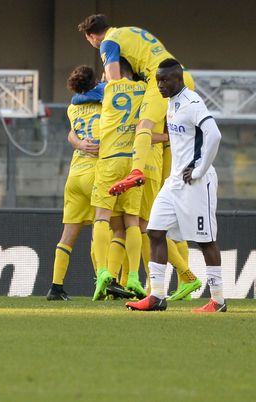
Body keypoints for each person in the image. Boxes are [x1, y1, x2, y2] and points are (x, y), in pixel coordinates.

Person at [126, 59, 225, 313]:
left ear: (178, 79)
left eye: (165, 80)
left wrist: (201, 169)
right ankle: (157, 296)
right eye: (157, 80)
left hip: (197, 182)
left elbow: (214, 135)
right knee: (155, 231)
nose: (160, 85)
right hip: (175, 182)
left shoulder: (193, 103)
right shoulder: (171, 104)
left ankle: (218, 300)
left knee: (205, 242)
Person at [77, 14, 195, 195]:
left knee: (144, 125)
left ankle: (136, 171)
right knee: (171, 131)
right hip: (184, 76)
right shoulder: (131, 31)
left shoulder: (108, 42)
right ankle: (173, 184)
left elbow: (115, 81)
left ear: (92, 37)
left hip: (162, 79)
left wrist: (101, 85)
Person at [89, 58, 148, 301]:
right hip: (133, 160)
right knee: (132, 221)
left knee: (102, 217)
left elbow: (79, 95)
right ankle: (133, 275)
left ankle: (103, 271)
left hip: (110, 159)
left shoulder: (107, 88)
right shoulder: (145, 90)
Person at [47, 65, 103, 301]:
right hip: (96, 172)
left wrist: (79, 144)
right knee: (105, 228)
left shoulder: (73, 107)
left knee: (67, 236)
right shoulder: (107, 101)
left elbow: (71, 133)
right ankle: (105, 282)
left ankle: (56, 287)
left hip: (75, 174)